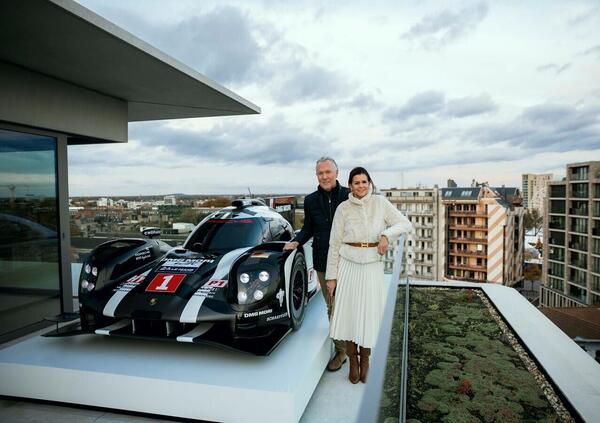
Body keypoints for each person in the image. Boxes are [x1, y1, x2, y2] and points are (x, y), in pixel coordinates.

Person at [325, 167, 412, 384]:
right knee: (350, 316)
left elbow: (404, 223)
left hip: (372, 266)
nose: (361, 186)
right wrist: (331, 277)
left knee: (369, 315)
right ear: (350, 185)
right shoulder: (343, 208)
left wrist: (385, 235)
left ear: (369, 183)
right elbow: (334, 244)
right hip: (348, 265)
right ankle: (353, 361)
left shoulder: (380, 203)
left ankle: (365, 360)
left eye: (364, 182)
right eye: (356, 182)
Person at [284, 157, 350, 371]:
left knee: (351, 304)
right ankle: (341, 352)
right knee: (332, 306)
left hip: (349, 259)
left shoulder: (349, 195)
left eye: (328, 172)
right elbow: (308, 229)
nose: (324, 176)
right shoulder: (311, 200)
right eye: (320, 173)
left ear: (337, 173)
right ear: (317, 176)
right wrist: (296, 241)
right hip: (323, 260)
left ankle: (357, 347)